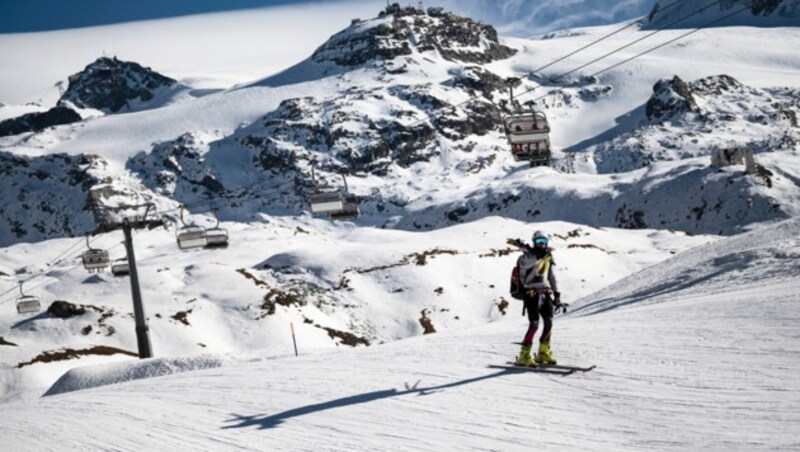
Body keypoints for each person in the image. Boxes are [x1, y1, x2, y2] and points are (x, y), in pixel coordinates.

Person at [508, 230, 563, 365]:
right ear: (534, 243)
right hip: (531, 293)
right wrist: (535, 254)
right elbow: (526, 264)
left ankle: (543, 352)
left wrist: (557, 295)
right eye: (538, 241)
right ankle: (524, 355)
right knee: (534, 324)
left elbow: (552, 277)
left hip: (545, 292)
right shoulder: (526, 257)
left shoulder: (548, 257)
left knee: (549, 323)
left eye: (543, 241)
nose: (541, 244)